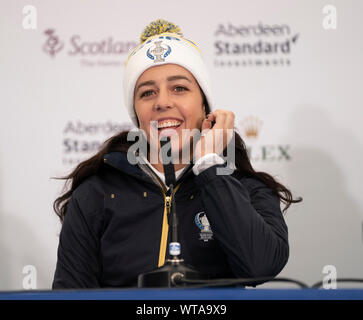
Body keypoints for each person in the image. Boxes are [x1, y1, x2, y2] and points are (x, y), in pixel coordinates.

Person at [52, 19, 301, 289]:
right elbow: (70, 293)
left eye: (179, 88)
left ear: (205, 104)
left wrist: (209, 166)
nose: (162, 102)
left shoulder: (245, 188)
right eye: (147, 93)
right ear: (136, 113)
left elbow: (261, 266)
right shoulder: (97, 192)